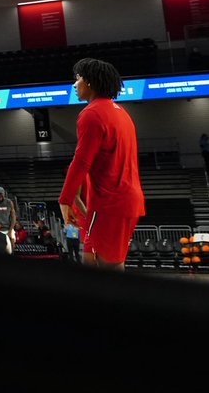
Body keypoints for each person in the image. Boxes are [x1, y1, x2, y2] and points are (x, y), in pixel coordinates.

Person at [58, 58, 145, 270]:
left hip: (109, 203)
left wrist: (65, 199)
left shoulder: (91, 114)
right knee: (111, 264)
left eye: (78, 78)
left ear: (89, 82)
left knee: (106, 268)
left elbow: (81, 161)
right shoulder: (122, 113)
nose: (75, 84)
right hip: (128, 200)